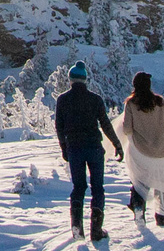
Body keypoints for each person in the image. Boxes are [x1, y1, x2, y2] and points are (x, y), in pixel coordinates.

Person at [53, 62, 125, 241]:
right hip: (94, 148)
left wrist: (64, 148)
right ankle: (96, 230)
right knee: (97, 188)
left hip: (74, 149)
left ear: (70, 80)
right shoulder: (95, 99)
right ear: (85, 79)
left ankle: (77, 226)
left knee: (78, 187)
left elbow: (59, 127)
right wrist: (117, 144)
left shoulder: (63, 99)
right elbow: (106, 124)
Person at [121, 70, 164, 227]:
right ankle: (163, 216)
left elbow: (127, 129)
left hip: (141, 150)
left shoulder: (131, 104)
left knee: (140, 179)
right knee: (163, 180)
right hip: (162, 150)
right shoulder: (159, 101)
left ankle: (138, 206)